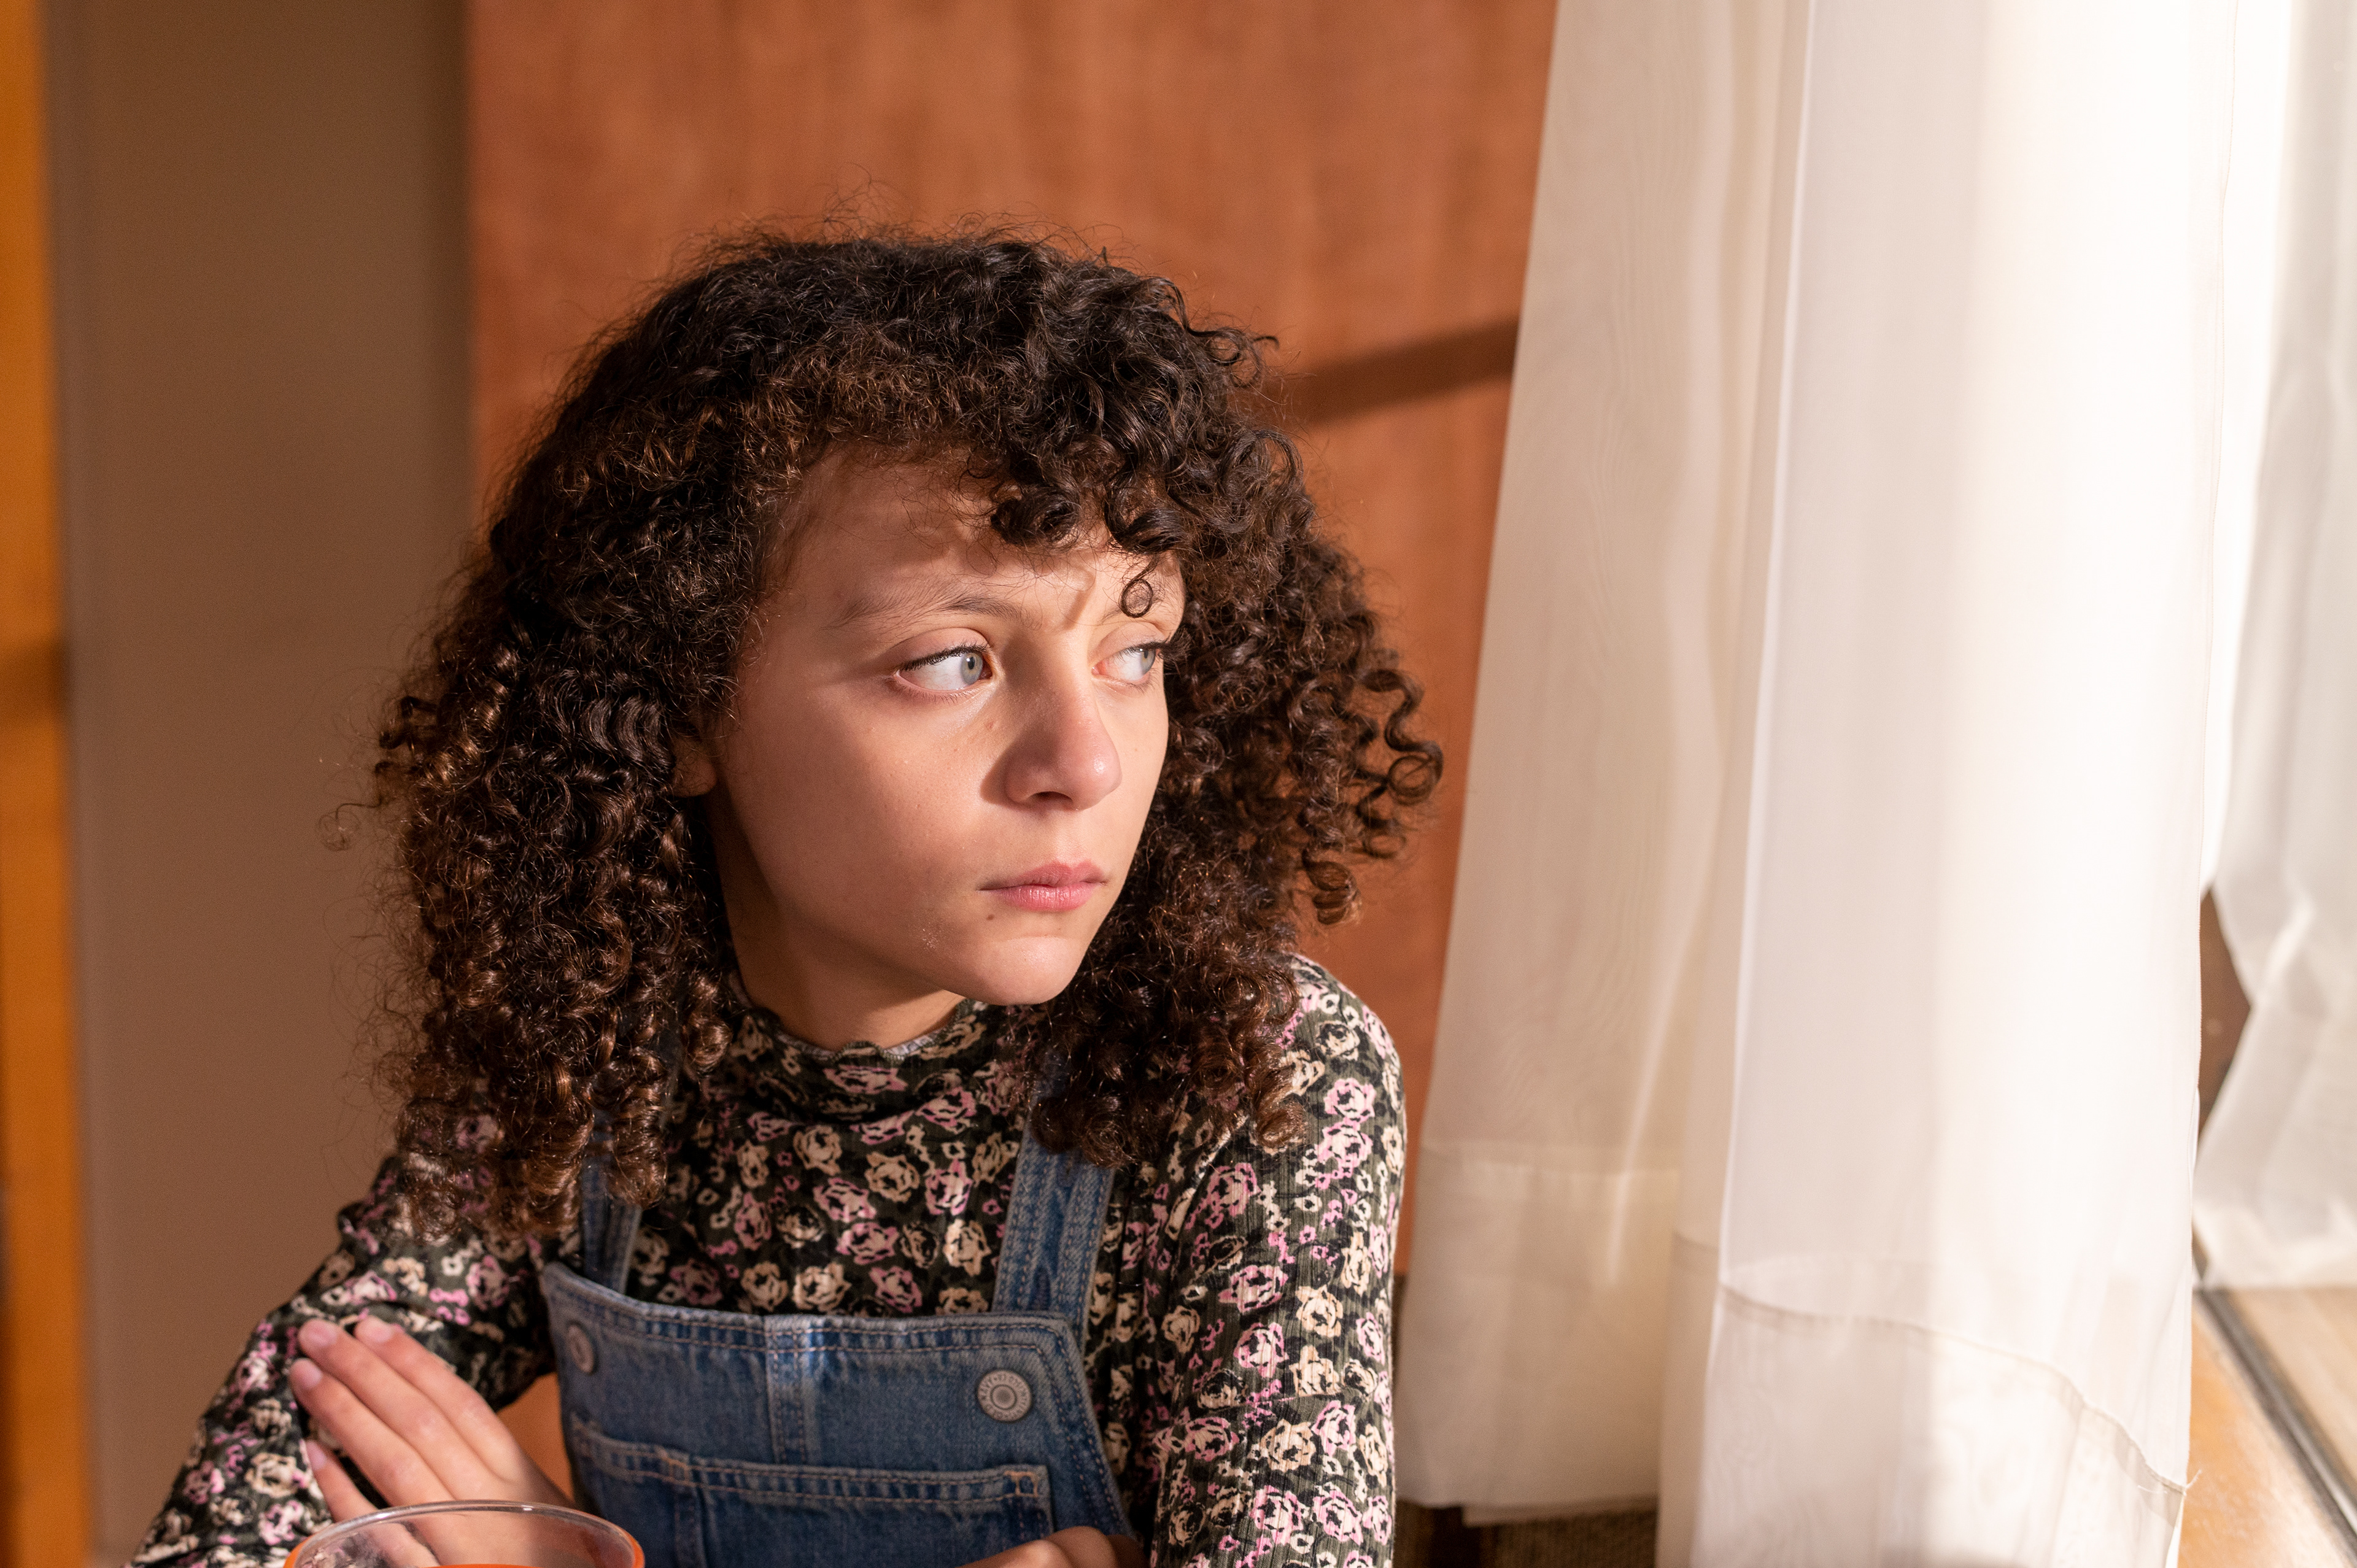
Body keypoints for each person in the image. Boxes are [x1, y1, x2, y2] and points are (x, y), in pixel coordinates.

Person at [132, 230, 1438, 1568]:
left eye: (1137, 649)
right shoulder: (584, 1053)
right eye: (953, 661)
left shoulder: (1256, 1077)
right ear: (679, 707)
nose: (1087, 763)